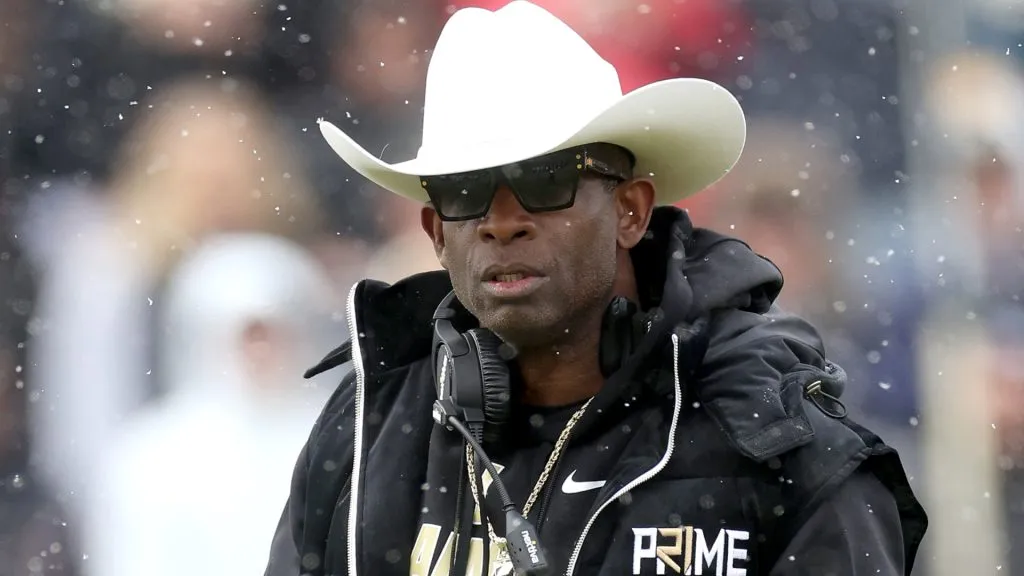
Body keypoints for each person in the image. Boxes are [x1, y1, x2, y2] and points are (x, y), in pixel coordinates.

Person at [264, 3, 927, 576]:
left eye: (544, 180)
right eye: (466, 193)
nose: (501, 222)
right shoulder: (370, 426)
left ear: (631, 211)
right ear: (437, 232)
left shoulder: (784, 450)